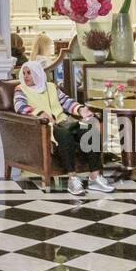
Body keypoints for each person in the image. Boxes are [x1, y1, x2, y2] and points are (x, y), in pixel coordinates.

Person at [13, 59, 114, 197]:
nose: (26, 76)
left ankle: (94, 177)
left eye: (29, 73)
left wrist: (80, 110)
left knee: (90, 130)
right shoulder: (20, 89)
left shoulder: (51, 87)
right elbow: (19, 107)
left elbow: (66, 102)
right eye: (24, 73)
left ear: (38, 73)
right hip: (46, 126)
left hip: (64, 121)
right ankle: (72, 179)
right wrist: (39, 113)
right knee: (64, 134)